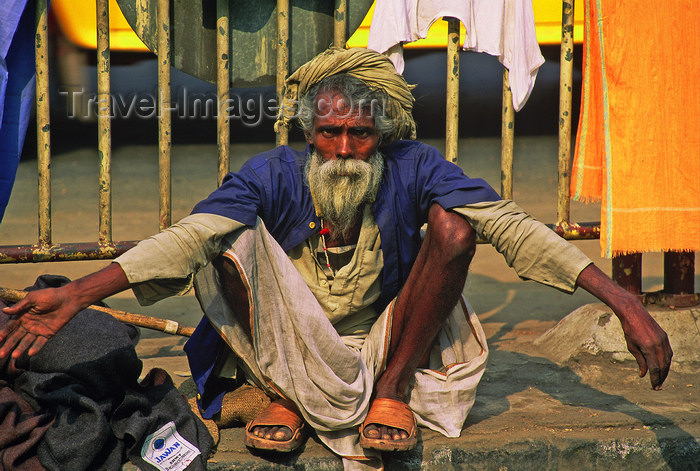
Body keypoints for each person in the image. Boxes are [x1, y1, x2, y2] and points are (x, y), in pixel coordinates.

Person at [0, 48, 672, 469]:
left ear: (383, 134)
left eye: (359, 134)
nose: (345, 149)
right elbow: (186, 237)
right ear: (308, 134)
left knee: (457, 229)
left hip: (386, 339)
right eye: (330, 133)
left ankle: (390, 395)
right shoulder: (274, 172)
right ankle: (282, 393)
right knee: (224, 238)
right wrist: (80, 292)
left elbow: (514, 227)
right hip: (281, 343)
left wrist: (623, 300)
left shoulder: (417, 166)